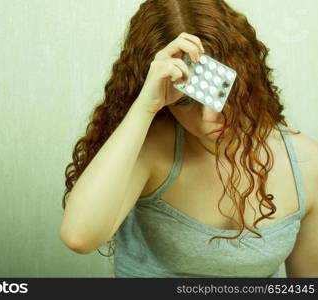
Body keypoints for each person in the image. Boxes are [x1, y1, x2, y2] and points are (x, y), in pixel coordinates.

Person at [60, 0, 318, 278]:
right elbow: (79, 237)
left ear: (248, 76)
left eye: (222, 90)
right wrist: (145, 105)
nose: (210, 116)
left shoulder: (304, 163)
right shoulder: (152, 149)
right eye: (184, 102)